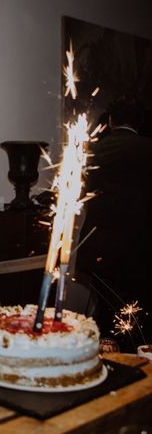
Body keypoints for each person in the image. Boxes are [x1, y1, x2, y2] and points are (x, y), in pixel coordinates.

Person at [76, 97, 152, 350]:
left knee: (108, 309)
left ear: (110, 120)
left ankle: (106, 359)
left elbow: (79, 193)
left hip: (101, 248)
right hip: (141, 247)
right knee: (137, 311)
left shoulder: (92, 151)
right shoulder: (147, 148)